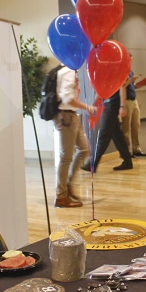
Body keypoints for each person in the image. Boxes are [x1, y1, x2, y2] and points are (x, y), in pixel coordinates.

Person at [53, 66, 95, 208]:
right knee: (66, 157)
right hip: (65, 116)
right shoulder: (68, 71)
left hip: (71, 116)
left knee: (84, 149)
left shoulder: (70, 71)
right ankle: (61, 196)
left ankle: (68, 185)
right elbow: (68, 98)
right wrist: (87, 107)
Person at [81, 84, 133, 172]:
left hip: (113, 103)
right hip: (108, 102)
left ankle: (92, 163)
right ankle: (127, 161)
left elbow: (122, 86)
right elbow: (101, 89)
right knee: (117, 135)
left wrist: (122, 105)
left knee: (103, 134)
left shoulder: (114, 71)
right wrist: (93, 104)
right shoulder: (105, 74)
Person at [121, 55, 146, 157]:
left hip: (134, 100)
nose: (130, 63)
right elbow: (122, 86)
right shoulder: (121, 70)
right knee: (126, 126)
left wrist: (142, 84)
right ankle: (127, 151)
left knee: (136, 125)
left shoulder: (130, 71)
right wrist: (131, 79)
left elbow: (132, 86)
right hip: (126, 101)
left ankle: (136, 148)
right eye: (129, 60)